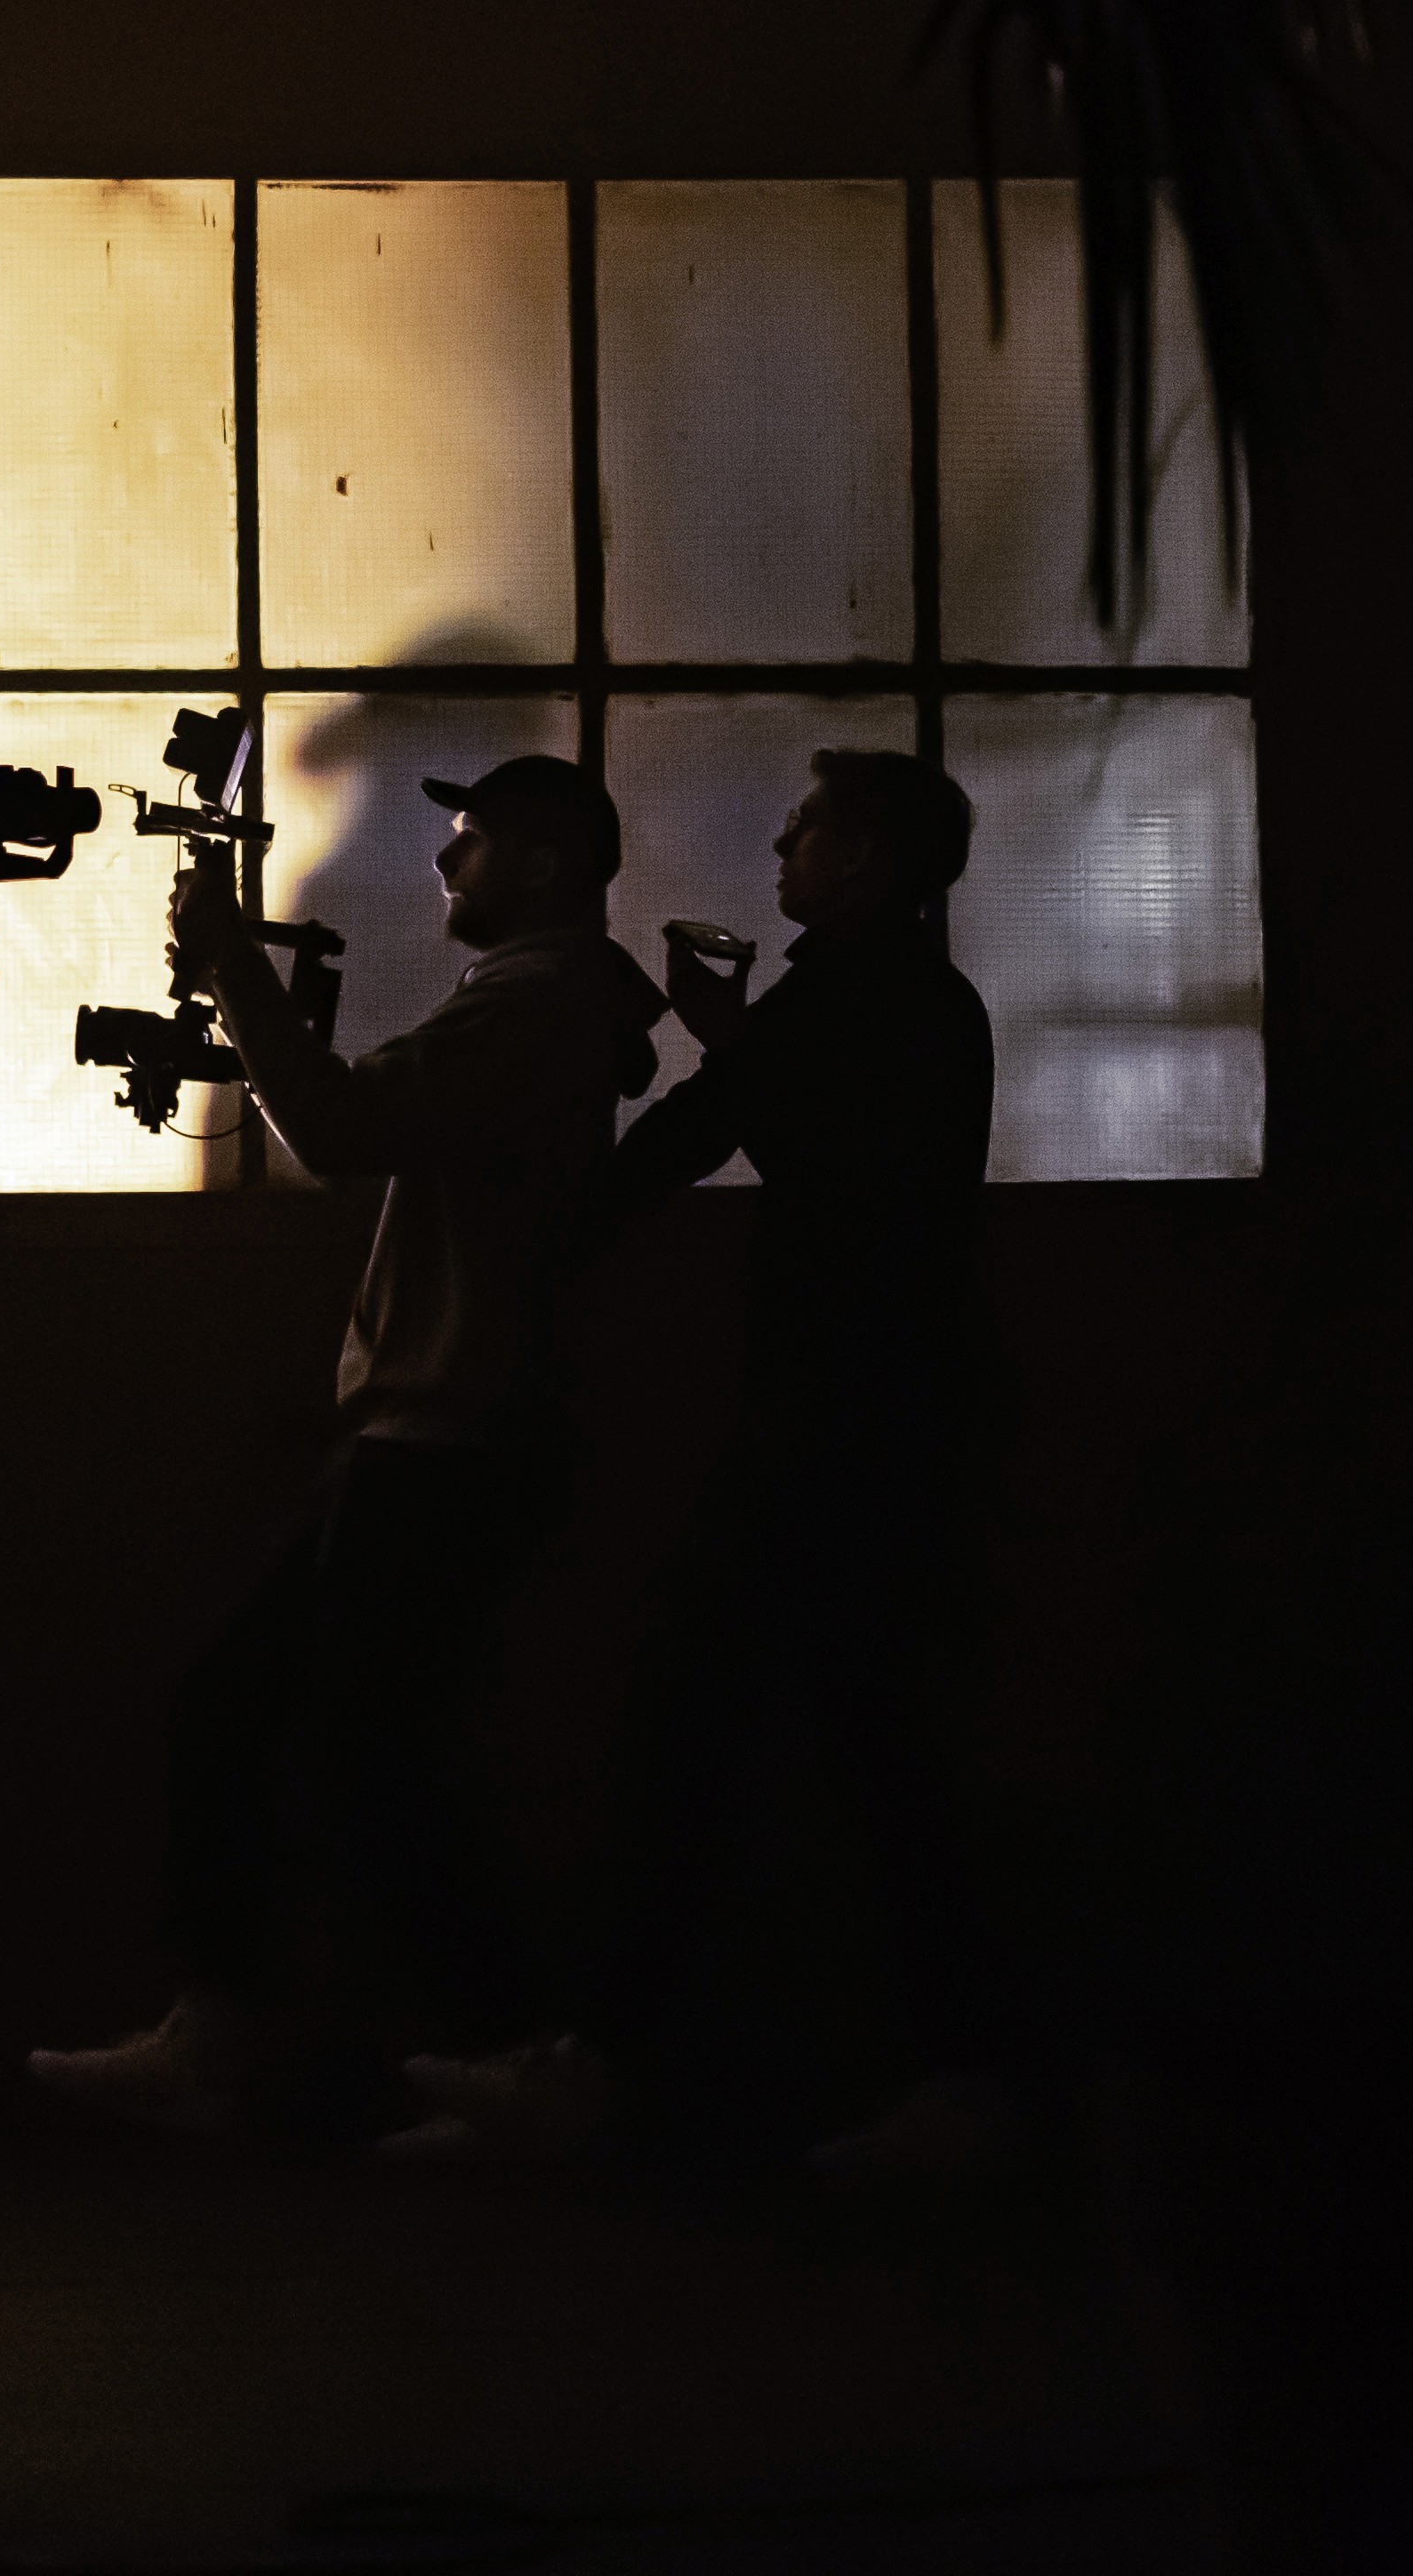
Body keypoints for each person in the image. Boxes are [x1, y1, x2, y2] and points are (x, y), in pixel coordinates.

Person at [387, 746, 1024, 2179]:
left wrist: (526, 1213)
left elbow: (774, 1163)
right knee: (833, 1739)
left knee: (732, 1723)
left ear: (863, 859)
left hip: (844, 1424)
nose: (781, 851)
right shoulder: (901, 1001)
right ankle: (943, 2070)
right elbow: (760, 1143)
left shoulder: (881, 1002)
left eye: (804, 832)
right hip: (866, 1420)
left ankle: (619, 2063)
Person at [28, 756, 669, 2135]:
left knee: (337, 1738)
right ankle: (440, 2042)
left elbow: (335, 1125)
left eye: (474, 843)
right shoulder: (555, 1003)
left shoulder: (536, 1001)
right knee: (343, 1736)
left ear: (544, 871)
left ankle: (501, 2046)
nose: (447, 866)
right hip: (448, 1420)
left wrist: (231, 969)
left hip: (445, 1427)